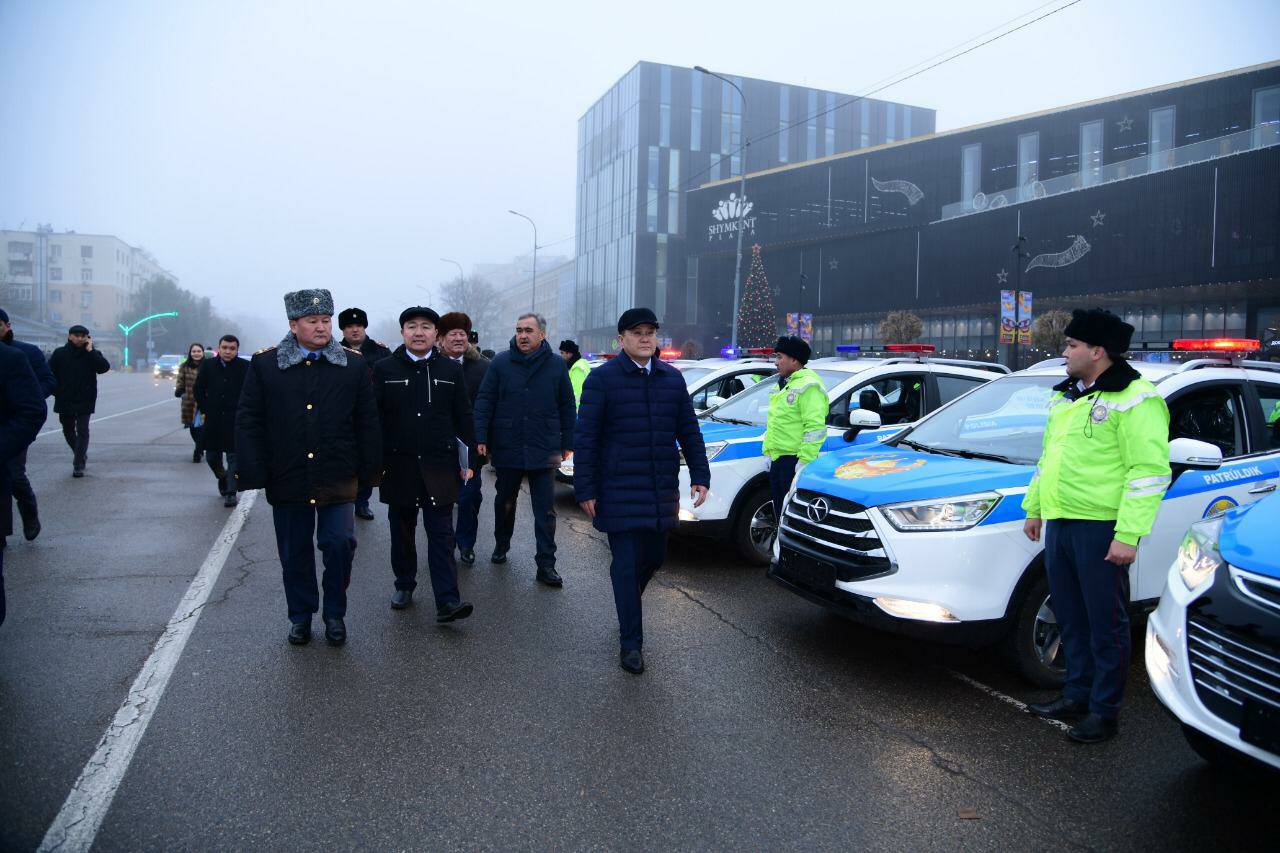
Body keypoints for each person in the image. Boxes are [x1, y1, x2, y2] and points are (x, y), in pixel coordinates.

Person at [1023, 308, 1170, 744]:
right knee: (1070, 617)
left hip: (1102, 528)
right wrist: (1035, 508)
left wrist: (1128, 535)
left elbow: (1147, 471)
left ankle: (1105, 713)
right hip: (1063, 524)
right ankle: (1076, 695)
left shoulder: (1136, 398)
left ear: (1097, 351)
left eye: (1071, 345)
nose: (1064, 352)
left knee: (1105, 624)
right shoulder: (1067, 396)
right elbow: (1049, 460)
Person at [236, 290, 381, 647]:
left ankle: (334, 614)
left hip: (338, 472)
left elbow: (367, 420)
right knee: (294, 552)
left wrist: (371, 469)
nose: (321, 327)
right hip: (288, 474)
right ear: (293, 324)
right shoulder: (267, 365)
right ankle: (300, 616)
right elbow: (249, 419)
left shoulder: (352, 364)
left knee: (338, 545)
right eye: (313, 321)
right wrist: (253, 469)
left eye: (325, 320)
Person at [574, 308, 710, 674]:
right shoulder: (602, 380)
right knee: (625, 564)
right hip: (617, 487)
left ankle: (627, 604)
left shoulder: (671, 379)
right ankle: (631, 643)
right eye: (637, 333)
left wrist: (701, 473)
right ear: (621, 339)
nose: (646, 338)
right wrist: (585, 487)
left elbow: (688, 429)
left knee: (654, 559)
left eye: (650, 332)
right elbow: (586, 438)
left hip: (660, 487)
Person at [373, 307, 475, 621]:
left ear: (436, 334)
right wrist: (375, 463)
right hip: (399, 464)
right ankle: (404, 583)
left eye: (426, 327)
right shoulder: (384, 369)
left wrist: (470, 460)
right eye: (412, 326)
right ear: (402, 332)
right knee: (402, 530)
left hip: (439, 465)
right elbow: (374, 419)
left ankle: (447, 600)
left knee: (442, 534)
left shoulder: (449, 370)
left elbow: (463, 417)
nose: (419, 332)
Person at [473, 312, 575, 587]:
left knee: (545, 510)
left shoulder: (555, 364)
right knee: (505, 502)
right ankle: (501, 544)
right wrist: (481, 435)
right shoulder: (501, 362)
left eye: (528, 330)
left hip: (544, 447)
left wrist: (568, 442)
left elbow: (567, 404)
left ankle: (546, 564)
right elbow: (485, 400)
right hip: (508, 445)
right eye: (519, 330)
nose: (523, 335)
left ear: (542, 335)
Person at [0, 340, 47, 626]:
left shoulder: (13, 358)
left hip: (3, 458)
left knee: (18, 477)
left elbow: (31, 411)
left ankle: (29, 511)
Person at [437, 311, 490, 565]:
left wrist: (486, 441)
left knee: (470, 497)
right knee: (442, 500)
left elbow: (490, 406)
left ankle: (466, 543)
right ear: (441, 338)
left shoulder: (482, 367)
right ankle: (444, 544)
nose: (458, 338)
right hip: (438, 445)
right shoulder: (431, 365)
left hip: (471, 445)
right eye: (453, 334)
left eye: (462, 334)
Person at [0, 309, 56, 540]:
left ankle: (29, 512)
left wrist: (31, 395)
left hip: (13, 426)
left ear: (7, 325)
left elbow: (48, 380)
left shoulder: (23, 353)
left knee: (14, 473)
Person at [760, 336, 828, 520]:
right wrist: (768, 451)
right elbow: (775, 422)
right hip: (778, 460)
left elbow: (815, 428)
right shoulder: (783, 384)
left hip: (793, 461)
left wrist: (804, 461)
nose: (776, 362)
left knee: (791, 517)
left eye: (780, 357)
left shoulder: (809, 386)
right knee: (779, 514)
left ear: (794, 360)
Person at [338, 306, 392, 521]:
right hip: (344, 416)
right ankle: (343, 500)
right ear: (343, 330)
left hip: (373, 416)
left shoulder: (380, 352)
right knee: (345, 460)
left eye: (358, 325)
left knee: (369, 460)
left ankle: (362, 501)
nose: (354, 330)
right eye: (349, 326)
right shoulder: (333, 351)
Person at [48, 324, 111, 477]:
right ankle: (80, 453)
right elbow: (49, 372)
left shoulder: (92, 354)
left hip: (85, 398)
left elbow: (104, 368)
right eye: (76, 335)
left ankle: (78, 464)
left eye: (83, 336)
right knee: (67, 429)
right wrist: (56, 391)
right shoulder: (59, 353)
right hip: (65, 398)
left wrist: (91, 351)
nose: (80, 338)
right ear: (70, 336)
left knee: (83, 430)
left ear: (88, 338)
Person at [194, 335, 249, 508]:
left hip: (235, 419)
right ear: (219, 348)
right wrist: (204, 408)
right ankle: (223, 477)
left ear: (236, 350)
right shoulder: (209, 366)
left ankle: (231, 492)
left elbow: (251, 391)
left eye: (232, 348)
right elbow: (198, 388)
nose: (228, 351)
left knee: (234, 457)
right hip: (214, 418)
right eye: (225, 347)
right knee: (211, 456)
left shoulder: (245, 367)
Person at [175, 342, 205, 463]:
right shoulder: (184, 367)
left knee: (202, 428)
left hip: (204, 402)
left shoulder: (208, 366)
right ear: (190, 353)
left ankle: (197, 451)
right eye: (194, 351)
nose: (196, 353)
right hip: (189, 402)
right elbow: (180, 382)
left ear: (202, 353)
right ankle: (200, 446)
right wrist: (181, 392)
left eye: (198, 351)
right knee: (193, 428)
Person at [559, 339, 592, 410]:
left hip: (577, 412)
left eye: (562, 353)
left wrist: (573, 412)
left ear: (569, 354)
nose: (560, 356)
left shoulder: (577, 368)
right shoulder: (580, 364)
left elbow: (577, 394)